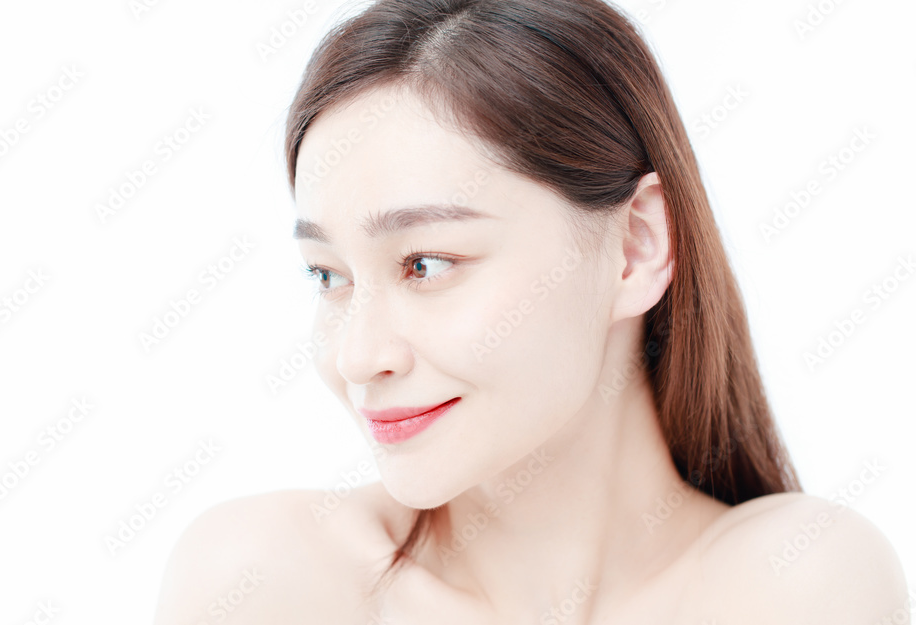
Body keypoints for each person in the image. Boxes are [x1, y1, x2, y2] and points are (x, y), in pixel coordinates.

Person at [153, 1, 910, 623]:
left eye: (426, 263)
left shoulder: (794, 582)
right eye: (330, 275)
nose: (357, 357)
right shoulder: (269, 579)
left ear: (635, 246)